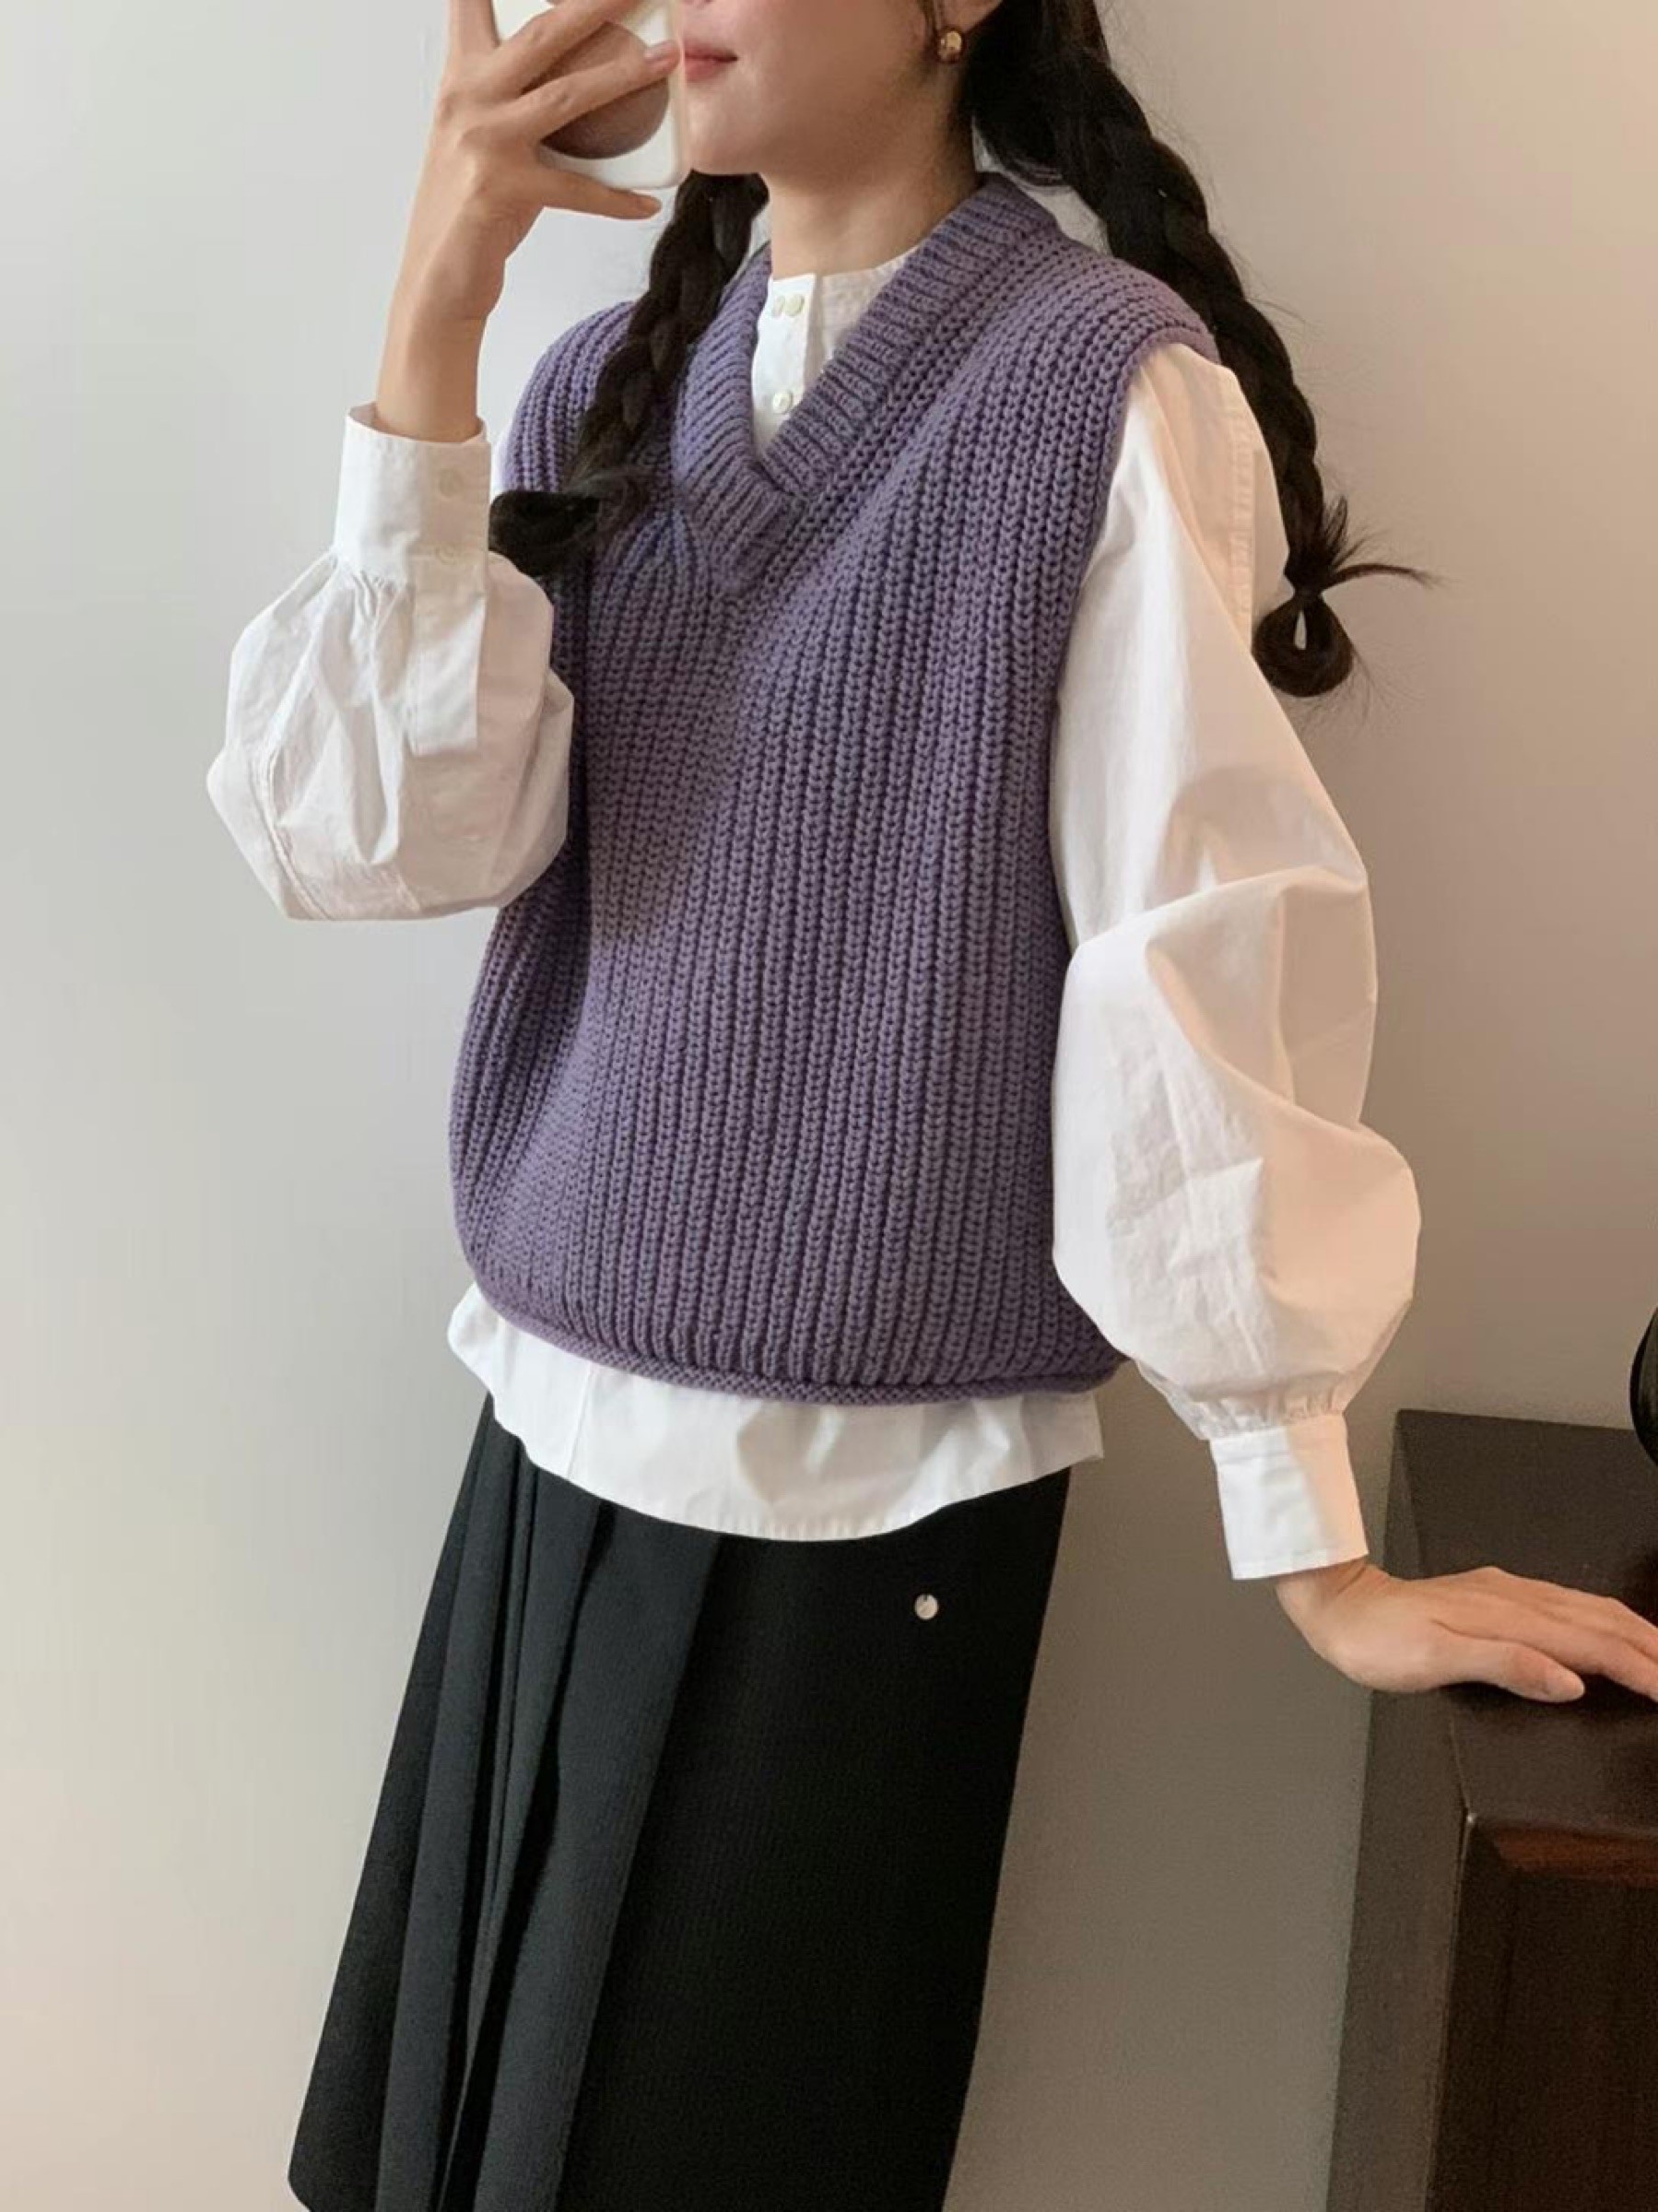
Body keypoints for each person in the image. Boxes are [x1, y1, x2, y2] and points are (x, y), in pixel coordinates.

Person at [207, 1, 1658, 2205]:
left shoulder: (1096, 386)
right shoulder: (604, 386)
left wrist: (1313, 1540)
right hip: (540, 1456)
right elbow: (377, 844)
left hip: (867, 1518)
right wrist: (440, 302)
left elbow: (1193, 937)